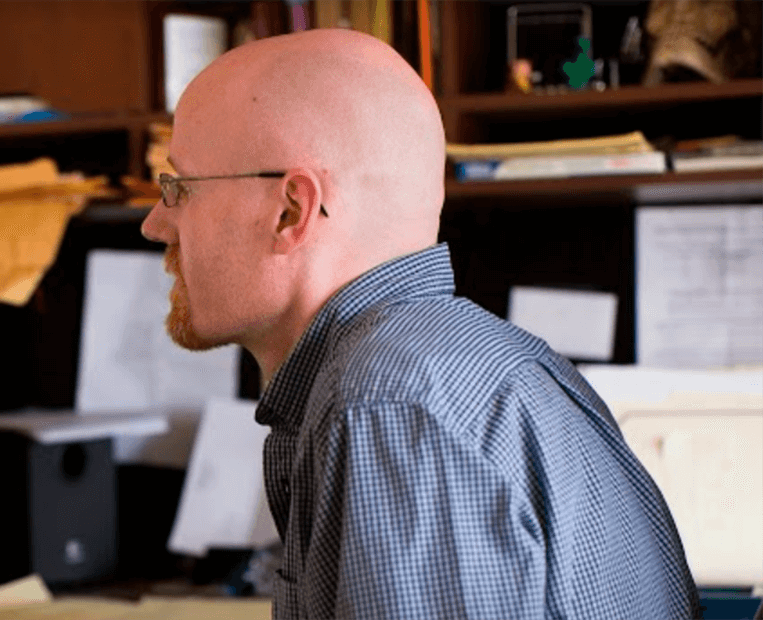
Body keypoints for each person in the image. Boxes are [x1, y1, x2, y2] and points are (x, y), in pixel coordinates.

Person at [141, 29, 698, 619]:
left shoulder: (388, 403)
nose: (155, 223)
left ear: (290, 212)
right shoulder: (473, 363)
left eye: (177, 188)